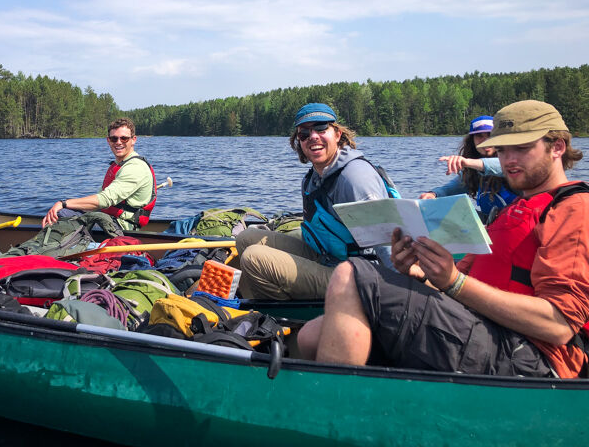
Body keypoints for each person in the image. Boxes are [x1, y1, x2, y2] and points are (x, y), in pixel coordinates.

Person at [297, 100, 589, 378]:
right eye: (501, 150)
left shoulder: (573, 209)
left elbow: (560, 325)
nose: (508, 160)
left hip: (529, 356)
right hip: (481, 327)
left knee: (351, 274)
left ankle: (333, 412)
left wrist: (454, 282)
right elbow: (459, 281)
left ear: (557, 147)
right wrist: (417, 272)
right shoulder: (514, 209)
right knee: (311, 336)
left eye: (522, 148)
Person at [234, 103, 394, 300]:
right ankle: (252, 301)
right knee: (247, 238)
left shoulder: (355, 178)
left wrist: (399, 295)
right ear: (298, 141)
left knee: (254, 258)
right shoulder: (316, 177)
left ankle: (280, 320)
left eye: (320, 128)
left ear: (337, 134)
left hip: (362, 279)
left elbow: (386, 242)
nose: (313, 137)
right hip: (330, 257)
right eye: (304, 134)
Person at [42, 117, 156, 231]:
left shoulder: (135, 167)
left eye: (124, 138)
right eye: (114, 138)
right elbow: (100, 204)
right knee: (62, 213)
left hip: (121, 228)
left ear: (133, 140)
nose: (118, 142)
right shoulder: (119, 165)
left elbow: (105, 200)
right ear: (108, 140)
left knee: (62, 215)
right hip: (107, 218)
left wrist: (64, 203)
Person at [419, 115, 517, 220]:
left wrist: (467, 162)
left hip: (516, 224)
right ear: (472, 141)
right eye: (479, 136)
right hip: (493, 225)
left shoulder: (512, 164)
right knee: (447, 210)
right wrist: (433, 194)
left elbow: (501, 166)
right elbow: (451, 188)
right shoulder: (472, 172)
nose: (485, 140)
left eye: (490, 135)